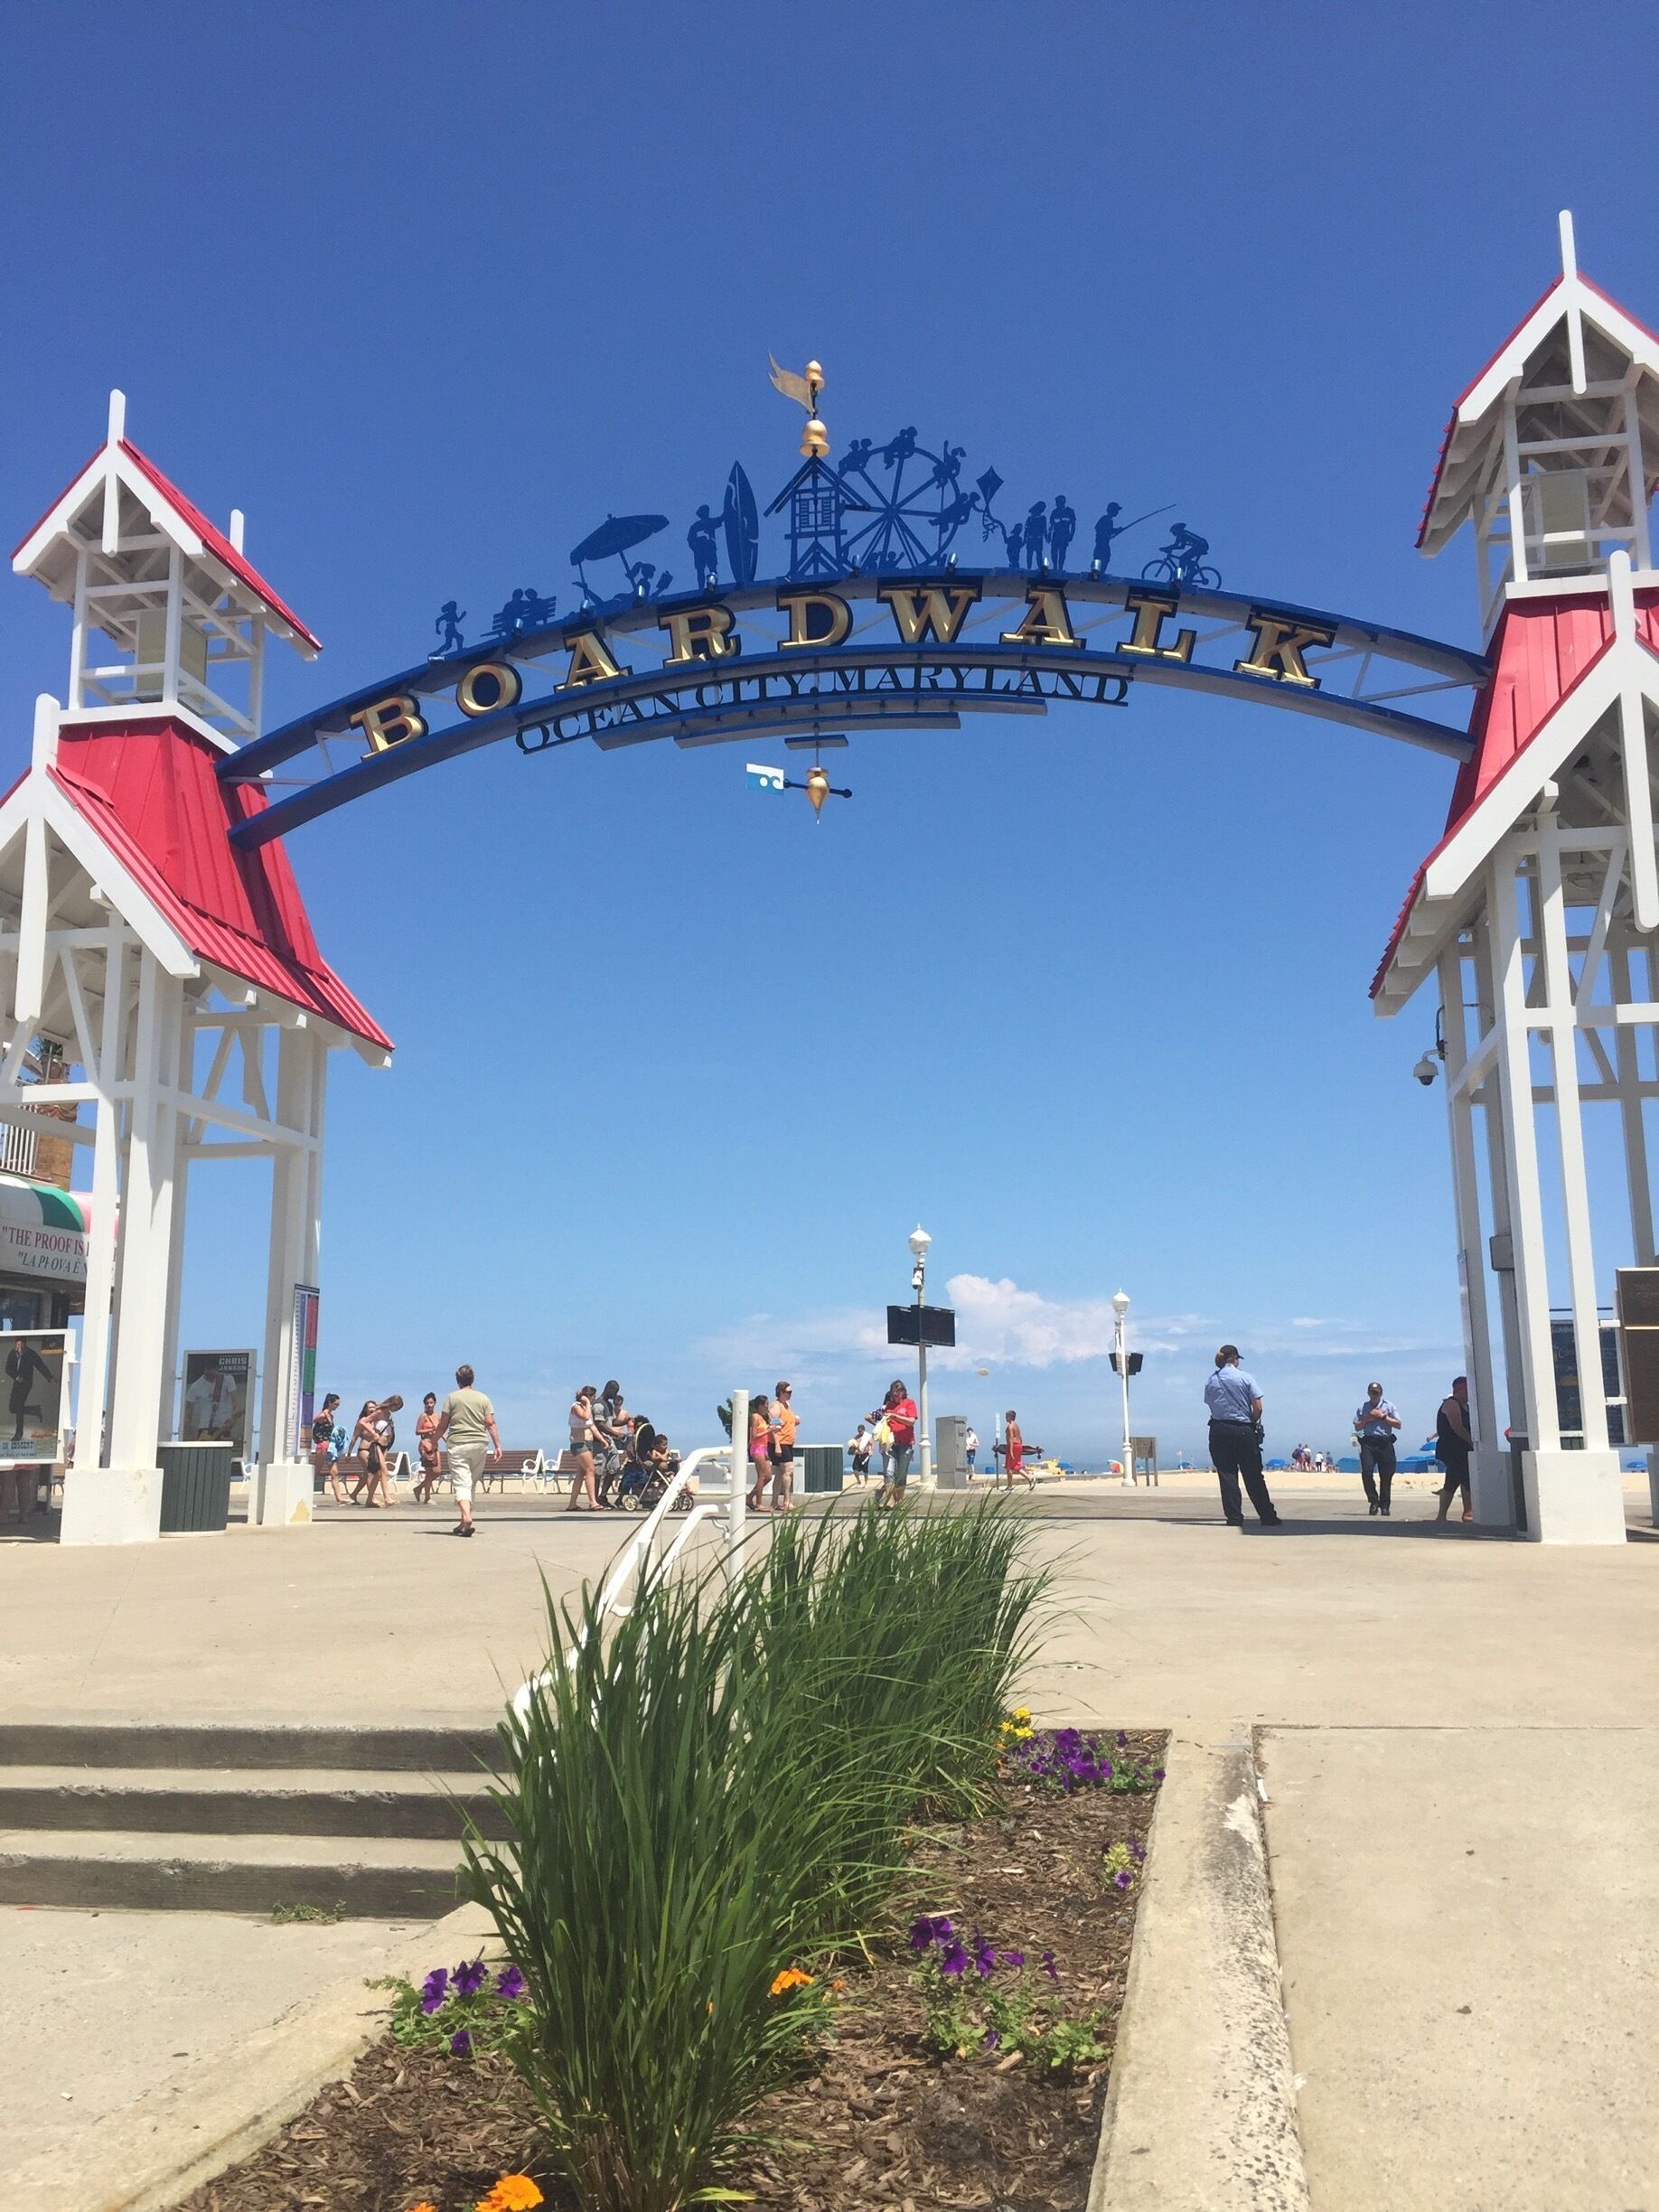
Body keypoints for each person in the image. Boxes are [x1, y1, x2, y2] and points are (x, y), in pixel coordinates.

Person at [1203, 1345, 1281, 1527]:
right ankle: (1267, 1515)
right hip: (1243, 1429)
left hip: (1219, 1429)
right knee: (1253, 1475)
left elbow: (1210, 1404)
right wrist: (1252, 1421)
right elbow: (1258, 1407)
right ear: (1235, 1359)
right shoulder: (1245, 1378)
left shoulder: (1211, 1380)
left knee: (1227, 1475)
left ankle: (1234, 1517)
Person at [435, 1364, 501, 1536]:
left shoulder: (451, 1398)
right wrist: (498, 1446)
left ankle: (467, 1517)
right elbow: (490, 1423)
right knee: (470, 1482)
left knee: (461, 1482)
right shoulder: (483, 1398)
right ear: (472, 1379)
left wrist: (433, 1442)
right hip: (479, 1444)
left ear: (458, 1380)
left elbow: (443, 1425)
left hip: (458, 1444)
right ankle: (463, 1522)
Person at [1354, 1382, 1402, 1516]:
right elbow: (1357, 1426)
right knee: (1366, 1472)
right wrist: (1368, 1419)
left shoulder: (1389, 1406)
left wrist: (1383, 1417)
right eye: (1371, 1392)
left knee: (1386, 1475)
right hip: (1368, 1442)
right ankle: (1374, 1501)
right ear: (1368, 1393)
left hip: (1385, 1443)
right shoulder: (1363, 1407)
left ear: (1381, 1393)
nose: (1374, 1395)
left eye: (1376, 1393)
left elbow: (1398, 1424)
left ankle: (1385, 1505)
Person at [1435, 1375, 1475, 1525]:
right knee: (1456, 1479)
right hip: (1453, 1448)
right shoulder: (1451, 1404)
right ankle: (1447, 1515)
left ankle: (1467, 1512)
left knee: (1461, 1480)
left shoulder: (1466, 1406)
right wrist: (1471, 1441)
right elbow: (1457, 1427)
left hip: (1463, 1448)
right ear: (1461, 1390)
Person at [872, 1380, 916, 1504]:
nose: (895, 1396)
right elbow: (874, 1418)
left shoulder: (909, 1403)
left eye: (898, 1393)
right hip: (890, 1443)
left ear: (903, 1392)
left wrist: (895, 1416)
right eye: (893, 1394)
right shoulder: (888, 1405)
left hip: (905, 1443)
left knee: (901, 1475)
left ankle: (899, 1502)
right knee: (888, 1473)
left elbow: (911, 1421)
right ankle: (890, 1501)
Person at [566, 1384, 600, 1513]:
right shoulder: (576, 1407)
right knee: (590, 1470)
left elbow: (591, 1426)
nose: (594, 1399)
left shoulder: (586, 1409)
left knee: (581, 1473)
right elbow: (585, 1417)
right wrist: (587, 1404)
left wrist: (602, 1440)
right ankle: (593, 1502)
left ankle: (572, 1504)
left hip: (587, 1443)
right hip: (579, 1444)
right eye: (593, 1397)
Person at [348, 1401, 389, 1506]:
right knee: (372, 1472)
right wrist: (349, 1453)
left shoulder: (377, 1421)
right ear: (365, 1409)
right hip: (364, 1450)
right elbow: (354, 1438)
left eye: (374, 1407)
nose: (372, 1409)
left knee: (366, 1475)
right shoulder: (362, 1422)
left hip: (374, 1450)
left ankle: (353, 1494)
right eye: (370, 1407)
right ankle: (371, 1498)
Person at [769, 1381, 799, 1513]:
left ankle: (774, 1503)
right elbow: (773, 1426)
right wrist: (777, 1445)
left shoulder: (787, 1405)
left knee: (780, 1473)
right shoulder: (775, 1407)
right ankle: (786, 1501)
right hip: (781, 1443)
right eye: (788, 1392)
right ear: (781, 1392)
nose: (791, 1394)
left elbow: (786, 1422)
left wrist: (795, 1420)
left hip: (788, 1442)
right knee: (788, 1470)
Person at [312, 1392, 346, 1505]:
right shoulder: (322, 1415)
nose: (337, 1407)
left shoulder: (331, 1416)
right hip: (323, 1445)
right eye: (335, 1404)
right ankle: (306, 1495)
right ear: (329, 1403)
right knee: (316, 1471)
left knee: (334, 1472)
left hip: (330, 1446)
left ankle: (339, 1498)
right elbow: (311, 1424)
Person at [745, 1394, 773, 1513]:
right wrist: (768, 1430)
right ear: (760, 1405)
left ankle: (750, 1497)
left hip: (763, 1448)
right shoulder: (755, 1417)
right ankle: (759, 1504)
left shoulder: (763, 1418)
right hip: (757, 1448)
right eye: (766, 1404)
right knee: (762, 1476)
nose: (767, 1407)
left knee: (768, 1476)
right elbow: (754, 1435)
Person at [413, 1392, 442, 1503]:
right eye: (427, 1403)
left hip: (434, 1444)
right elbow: (417, 1431)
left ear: (435, 1403)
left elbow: (440, 1430)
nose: (429, 1405)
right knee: (429, 1471)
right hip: (425, 1445)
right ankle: (427, 1497)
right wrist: (430, 1429)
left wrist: (447, 1439)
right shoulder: (423, 1416)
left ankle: (419, 1488)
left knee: (437, 1472)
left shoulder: (437, 1416)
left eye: (431, 1403)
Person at [1048, 495, 1075, 571]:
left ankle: (1060, 568)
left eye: (1058, 502)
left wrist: (1071, 535)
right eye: (1056, 502)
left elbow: (1073, 525)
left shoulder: (1070, 511)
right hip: (1056, 534)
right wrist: (1049, 535)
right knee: (1054, 551)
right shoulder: (1054, 512)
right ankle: (1055, 567)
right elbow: (1051, 525)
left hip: (1064, 534)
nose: (1057, 504)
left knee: (1062, 552)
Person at [848, 1421, 873, 1485]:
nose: (860, 1432)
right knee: (854, 1468)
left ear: (863, 1430)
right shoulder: (856, 1437)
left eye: (861, 1431)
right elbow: (852, 1444)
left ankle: (866, 1483)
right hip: (858, 1454)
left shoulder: (867, 1437)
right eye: (859, 1431)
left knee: (865, 1469)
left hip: (865, 1454)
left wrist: (871, 1451)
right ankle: (858, 1480)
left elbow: (872, 1444)